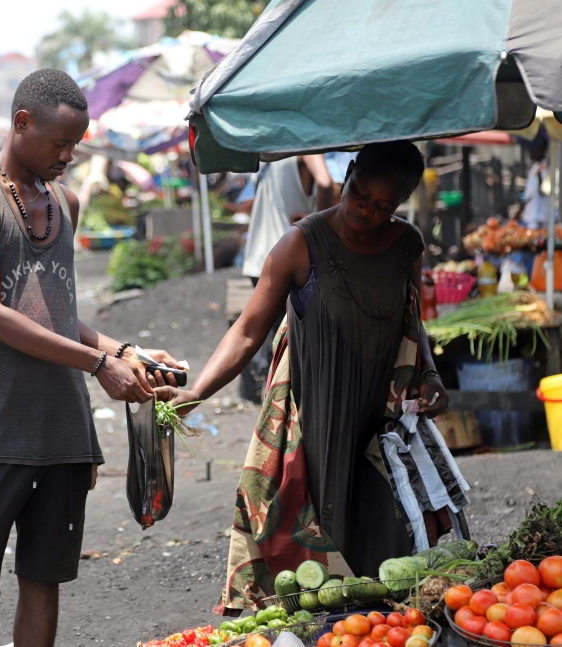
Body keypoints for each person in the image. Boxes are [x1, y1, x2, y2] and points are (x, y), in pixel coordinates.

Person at [0, 68, 184, 647]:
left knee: (43, 583)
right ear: (22, 124)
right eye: (59, 142)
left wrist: (125, 350)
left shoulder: (65, 202)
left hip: (62, 434)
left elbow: (53, 312)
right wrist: (98, 365)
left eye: (76, 143)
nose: (70, 155)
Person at [159, 141, 451, 593]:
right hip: (317, 425)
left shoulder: (407, 246)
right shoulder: (301, 244)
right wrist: (196, 393)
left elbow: (414, 324)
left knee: (387, 550)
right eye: (360, 194)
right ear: (348, 171)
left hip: (380, 426)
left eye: (383, 206)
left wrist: (430, 374)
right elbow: (247, 331)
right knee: (314, 555)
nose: (366, 212)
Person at [239, 155, 333, 402]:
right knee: (295, 347)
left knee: (277, 344)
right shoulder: (303, 144)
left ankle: (275, 408)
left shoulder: (270, 153)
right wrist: (319, 227)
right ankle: (289, 413)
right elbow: (325, 182)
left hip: (260, 259)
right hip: (288, 260)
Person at [515, 135, 551, 229]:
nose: (529, 151)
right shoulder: (535, 167)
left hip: (539, 219)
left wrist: (540, 174)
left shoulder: (545, 168)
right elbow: (528, 195)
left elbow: (544, 190)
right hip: (531, 218)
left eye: (532, 149)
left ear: (540, 150)